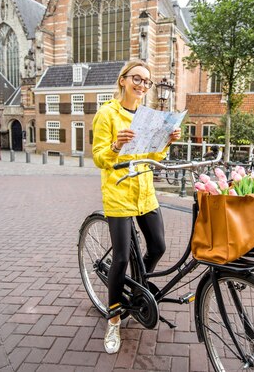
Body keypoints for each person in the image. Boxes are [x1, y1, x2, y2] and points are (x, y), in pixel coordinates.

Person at [91, 60, 182, 354]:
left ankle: (138, 285)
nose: (142, 85)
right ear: (123, 80)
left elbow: (153, 153)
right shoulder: (107, 113)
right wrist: (116, 146)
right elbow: (99, 157)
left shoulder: (146, 115)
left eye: (147, 81)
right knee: (120, 259)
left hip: (144, 191)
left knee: (157, 246)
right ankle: (114, 317)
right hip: (118, 193)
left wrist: (167, 140)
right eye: (137, 79)